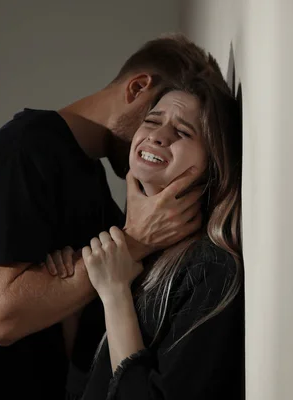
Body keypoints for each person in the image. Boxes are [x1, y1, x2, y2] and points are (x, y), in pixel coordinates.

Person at [0, 34, 218, 400]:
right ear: (139, 87)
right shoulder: (21, 152)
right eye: (155, 117)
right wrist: (134, 240)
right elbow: (3, 318)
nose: (155, 139)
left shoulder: (89, 177)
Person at [63, 63, 244, 399]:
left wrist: (115, 291)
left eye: (185, 132)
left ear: (214, 163)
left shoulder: (212, 271)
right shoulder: (128, 252)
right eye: (152, 121)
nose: (159, 136)